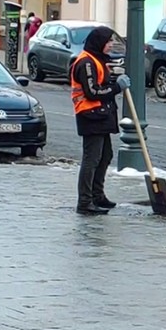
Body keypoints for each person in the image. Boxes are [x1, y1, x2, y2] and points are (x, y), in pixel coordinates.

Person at [70, 25, 131, 215]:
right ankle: (85, 201)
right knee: (92, 159)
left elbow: (101, 84)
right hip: (91, 115)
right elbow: (92, 91)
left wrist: (114, 81)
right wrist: (116, 88)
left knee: (105, 156)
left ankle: (97, 195)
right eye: (109, 41)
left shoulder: (97, 60)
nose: (112, 45)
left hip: (100, 115)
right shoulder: (86, 63)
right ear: (100, 43)